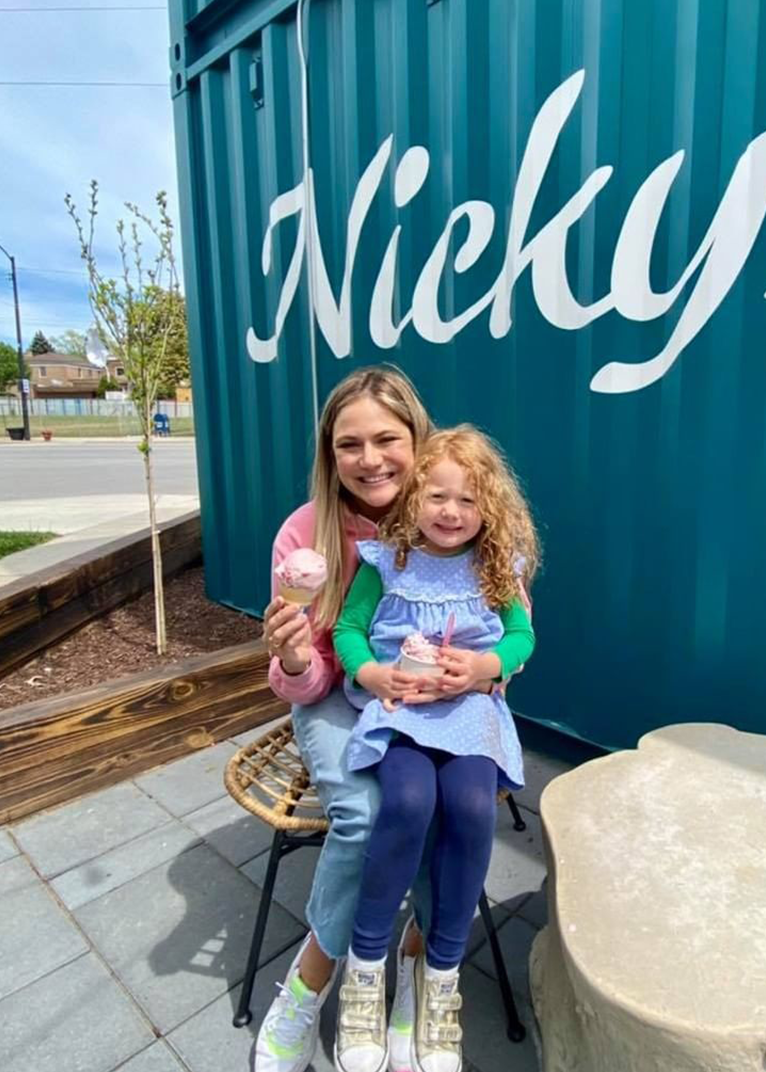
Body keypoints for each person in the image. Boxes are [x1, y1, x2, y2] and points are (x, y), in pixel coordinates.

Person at [330, 426, 538, 1072]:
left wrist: (485, 666)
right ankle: (366, 967)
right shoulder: (385, 561)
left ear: (489, 507)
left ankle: (441, 975)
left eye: (468, 500)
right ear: (413, 497)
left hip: (470, 713)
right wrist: (371, 673)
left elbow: (521, 637)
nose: (451, 512)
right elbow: (348, 630)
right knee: (409, 801)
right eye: (437, 497)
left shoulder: (495, 566)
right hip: (403, 714)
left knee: (472, 808)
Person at [255, 366, 442, 1072]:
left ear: (416, 438)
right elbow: (302, 684)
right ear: (329, 455)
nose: (370, 460)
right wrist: (297, 657)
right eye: (349, 445)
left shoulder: (453, 509)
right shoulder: (305, 534)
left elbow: (509, 620)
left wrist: (484, 671)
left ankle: (418, 963)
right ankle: (312, 981)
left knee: (448, 804)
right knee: (364, 816)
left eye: (387, 439)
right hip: (338, 695)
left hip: (435, 696)